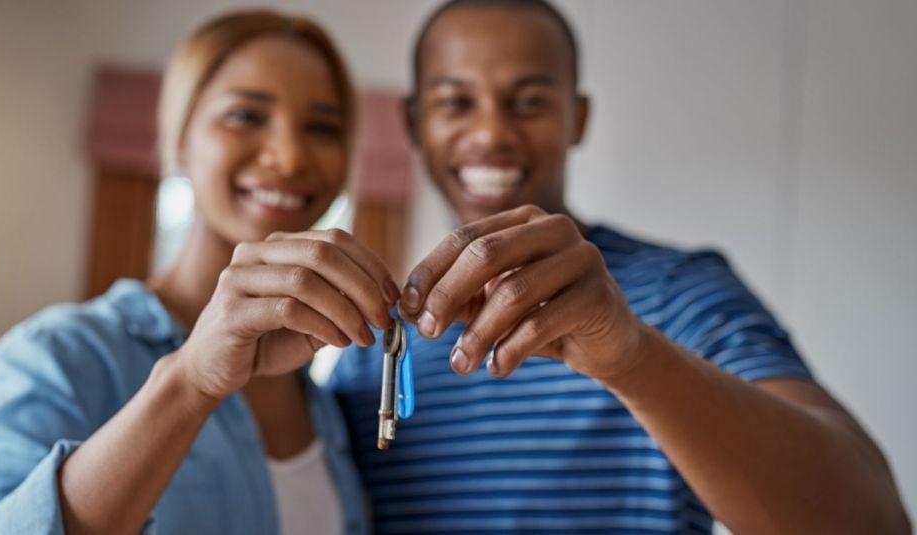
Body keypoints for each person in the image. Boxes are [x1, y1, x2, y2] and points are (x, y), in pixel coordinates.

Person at [328, 1, 912, 533]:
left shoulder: (682, 293)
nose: (491, 134)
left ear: (578, 118)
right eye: (456, 102)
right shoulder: (374, 339)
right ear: (413, 122)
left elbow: (875, 523)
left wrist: (634, 359)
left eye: (529, 102)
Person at [0, 10, 394, 535]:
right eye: (246, 116)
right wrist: (188, 384)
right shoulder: (61, 356)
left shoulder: (330, 405)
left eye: (321, 128)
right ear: (179, 139)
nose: (290, 157)